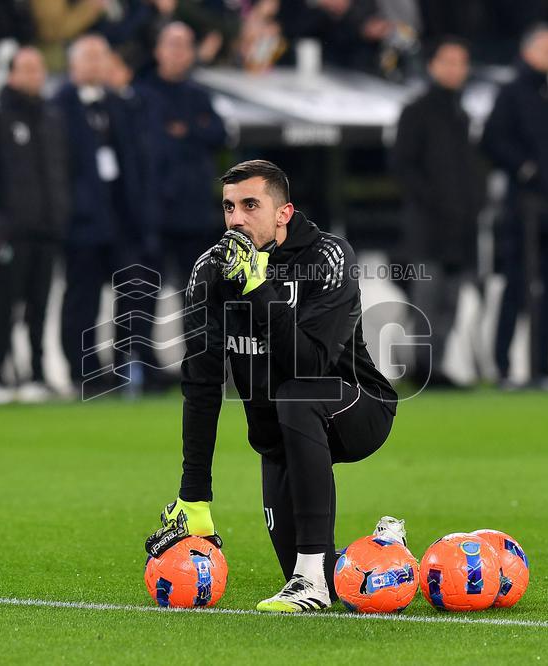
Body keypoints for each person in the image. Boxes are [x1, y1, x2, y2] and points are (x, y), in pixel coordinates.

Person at [144, 160, 399, 613]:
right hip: (280, 434)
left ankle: (312, 584)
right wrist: (194, 495)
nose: (236, 219)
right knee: (320, 570)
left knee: (296, 394)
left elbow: (311, 364)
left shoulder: (329, 257)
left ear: (283, 213)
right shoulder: (210, 271)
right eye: (228, 207)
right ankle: (384, 556)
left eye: (250, 205)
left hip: (357, 409)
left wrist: (258, 288)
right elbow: (201, 384)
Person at [481, 24, 548, 389]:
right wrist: (526, 170)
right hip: (524, 210)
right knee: (517, 287)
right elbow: (492, 139)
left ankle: (543, 367)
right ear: (527, 52)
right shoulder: (511, 92)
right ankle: (504, 366)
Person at [53, 35, 158, 394]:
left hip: (121, 219)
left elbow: (136, 161)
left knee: (137, 287)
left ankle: (129, 362)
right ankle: (84, 372)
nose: (96, 65)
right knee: (82, 299)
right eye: (89, 58)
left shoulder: (119, 105)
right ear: (73, 65)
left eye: (102, 57)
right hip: (82, 222)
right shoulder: (59, 106)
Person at [0, 47, 69, 404]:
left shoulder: (52, 118)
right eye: (27, 69)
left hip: (47, 229)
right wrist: (0, 218)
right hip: (11, 231)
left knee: (40, 307)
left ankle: (36, 372)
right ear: (11, 74)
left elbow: (62, 172)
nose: (35, 75)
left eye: (39, 68)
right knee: (5, 304)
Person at [393, 36, 485, 387]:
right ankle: (422, 368)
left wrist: (473, 204)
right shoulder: (416, 112)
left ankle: (437, 366)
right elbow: (403, 167)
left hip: (461, 227)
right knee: (427, 301)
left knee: (452, 301)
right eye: (448, 61)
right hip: (427, 227)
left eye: (461, 62)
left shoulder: (463, 113)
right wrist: (434, 202)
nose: (455, 69)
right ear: (432, 66)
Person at [138, 22, 227, 289]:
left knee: (197, 299)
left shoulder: (199, 95)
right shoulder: (140, 94)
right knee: (140, 299)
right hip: (152, 215)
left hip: (193, 213)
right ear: (158, 50)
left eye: (185, 45)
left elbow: (219, 134)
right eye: (172, 44)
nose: (179, 52)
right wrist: (194, 130)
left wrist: (187, 131)